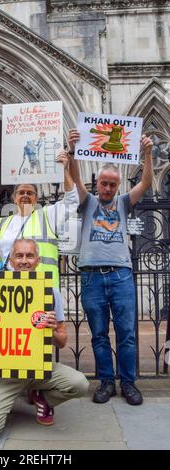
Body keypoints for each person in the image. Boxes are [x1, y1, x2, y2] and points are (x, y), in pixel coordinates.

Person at [68, 129, 153, 406]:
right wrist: (72, 151)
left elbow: (147, 182)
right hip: (91, 276)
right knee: (100, 335)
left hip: (120, 275)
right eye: (104, 183)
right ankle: (106, 382)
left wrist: (148, 155)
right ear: (98, 183)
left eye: (112, 185)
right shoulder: (88, 202)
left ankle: (127, 383)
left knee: (126, 334)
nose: (107, 188)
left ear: (117, 186)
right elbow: (75, 180)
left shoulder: (124, 203)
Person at [0, 238, 89, 441]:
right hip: (5, 372)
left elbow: (62, 341)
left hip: (38, 367)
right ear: (10, 259)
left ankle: (43, 398)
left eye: (30, 256)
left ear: (38, 260)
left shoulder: (50, 292)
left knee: (80, 383)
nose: (24, 261)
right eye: (19, 255)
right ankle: (4, 398)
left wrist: (52, 330)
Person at [0, 150, 79, 289]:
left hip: (41, 286)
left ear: (36, 198)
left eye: (30, 193)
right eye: (21, 192)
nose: (25, 195)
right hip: (8, 287)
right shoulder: (3, 223)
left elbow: (72, 200)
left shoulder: (47, 215)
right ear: (14, 197)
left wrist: (65, 171)